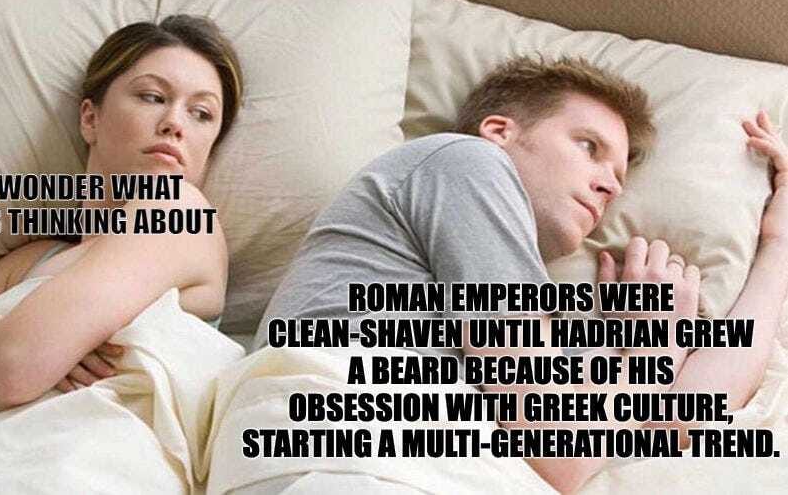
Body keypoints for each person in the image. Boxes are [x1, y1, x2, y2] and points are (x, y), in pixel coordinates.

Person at [252, 57, 788, 493]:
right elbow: (559, 451)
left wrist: (778, 244)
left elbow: (682, 417)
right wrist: (651, 353)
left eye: (619, 176)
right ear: (500, 131)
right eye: (588, 146)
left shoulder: (542, 318)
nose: (609, 185)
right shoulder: (465, 162)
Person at [0, 15, 243, 415]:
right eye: (152, 97)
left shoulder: (181, 213)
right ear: (90, 119)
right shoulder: (34, 259)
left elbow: (13, 367)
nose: (174, 124)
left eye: (201, 113)